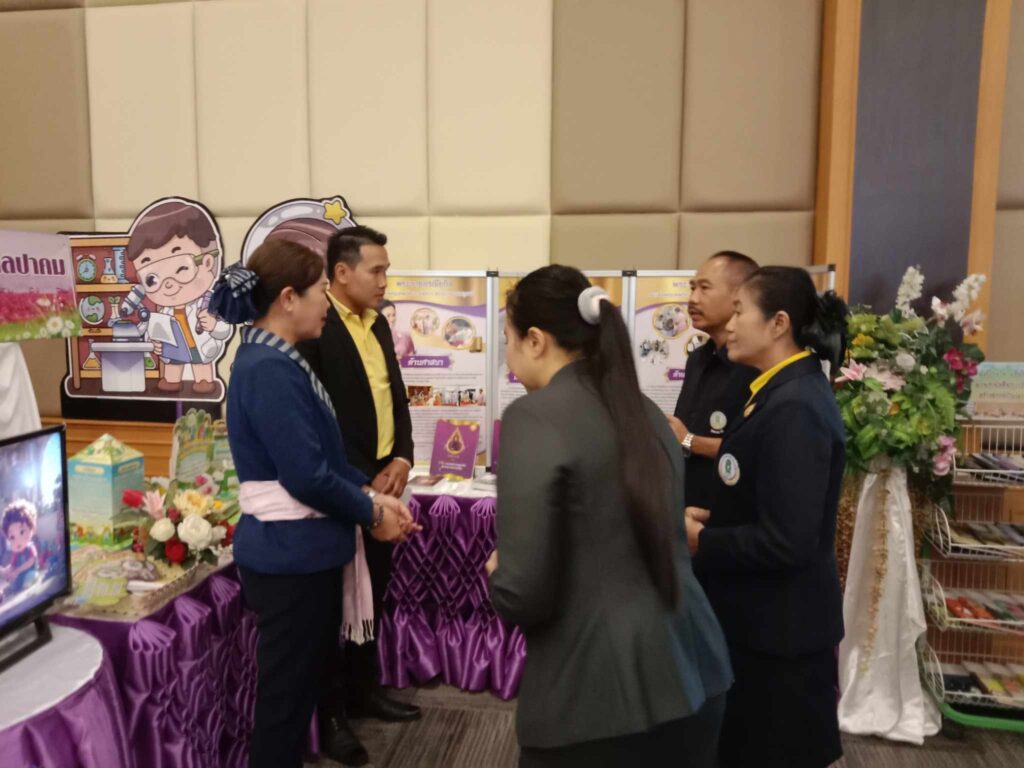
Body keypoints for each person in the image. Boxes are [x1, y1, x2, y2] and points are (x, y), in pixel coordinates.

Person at [487, 265, 733, 768]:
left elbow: (522, 593)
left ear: (535, 341)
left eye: (507, 340)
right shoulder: (646, 412)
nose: (507, 356)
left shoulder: (533, 416)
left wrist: (499, 573)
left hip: (597, 697)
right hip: (695, 669)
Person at [212, 239, 420, 768]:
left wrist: (371, 494)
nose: (327, 303)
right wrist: (371, 512)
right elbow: (306, 475)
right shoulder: (268, 367)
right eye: (320, 291)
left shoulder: (278, 359)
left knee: (295, 692)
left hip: (301, 552)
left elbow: (324, 460)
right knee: (284, 704)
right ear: (288, 298)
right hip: (290, 557)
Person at [687, 266, 848, 768]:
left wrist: (702, 541)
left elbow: (788, 540)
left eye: (739, 312)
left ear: (778, 323)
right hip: (761, 624)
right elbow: (767, 496)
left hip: (782, 635)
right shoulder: (775, 391)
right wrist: (716, 516)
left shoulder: (795, 406)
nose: (730, 325)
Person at [295, 226, 419, 766]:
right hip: (343, 490)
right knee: (334, 607)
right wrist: (364, 482)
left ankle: (365, 690)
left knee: (375, 595)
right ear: (341, 273)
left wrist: (403, 459)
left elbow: (397, 398)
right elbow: (321, 422)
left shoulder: (379, 324)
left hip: (386, 484)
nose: (385, 280)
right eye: (377, 270)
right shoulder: (316, 330)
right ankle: (332, 715)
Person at [668, 251, 759, 511]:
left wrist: (689, 441)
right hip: (686, 507)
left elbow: (758, 450)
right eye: (692, 288)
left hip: (730, 513)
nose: (693, 299)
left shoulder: (755, 364)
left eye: (704, 288)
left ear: (739, 297)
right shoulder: (698, 358)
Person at [126, 199, 231, 395]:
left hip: (200, 346)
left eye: (181, 269)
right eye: (151, 279)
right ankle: (171, 380)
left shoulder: (211, 302)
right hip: (174, 347)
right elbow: (153, 330)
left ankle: (204, 380)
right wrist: (154, 342)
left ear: (207, 262)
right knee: (173, 361)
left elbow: (225, 328)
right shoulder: (163, 310)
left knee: (201, 363)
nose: (168, 284)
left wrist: (214, 325)